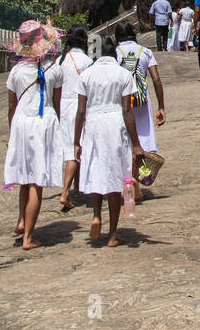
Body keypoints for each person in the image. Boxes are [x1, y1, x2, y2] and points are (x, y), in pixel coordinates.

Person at [74, 35, 146, 247]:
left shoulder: (86, 74)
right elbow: (127, 110)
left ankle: (96, 215)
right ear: (115, 52)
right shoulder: (123, 74)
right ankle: (112, 235)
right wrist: (136, 143)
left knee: (97, 171)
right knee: (115, 179)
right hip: (115, 124)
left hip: (94, 124)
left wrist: (76, 141)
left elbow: (80, 111)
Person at [4, 21, 62, 250]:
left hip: (21, 122)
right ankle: (28, 237)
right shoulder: (53, 69)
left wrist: (13, 133)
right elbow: (56, 104)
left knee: (24, 177)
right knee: (36, 182)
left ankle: (21, 220)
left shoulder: (16, 72)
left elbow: (11, 106)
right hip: (43, 121)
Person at [115, 21, 165, 200]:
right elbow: (156, 79)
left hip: (122, 101)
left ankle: (127, 180)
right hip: (141, 101)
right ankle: (136, 177)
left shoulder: (115, 52)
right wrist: (161, 106)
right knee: (141, 138)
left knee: (125, 138)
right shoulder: (145, 52)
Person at [46, 25, 91, 211]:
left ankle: (77, 187)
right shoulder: (88, 61)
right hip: (79, 107)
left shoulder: (60, 61)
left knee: (70, 147)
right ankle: (65, 192)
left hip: (62, 106)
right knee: (76, 148)